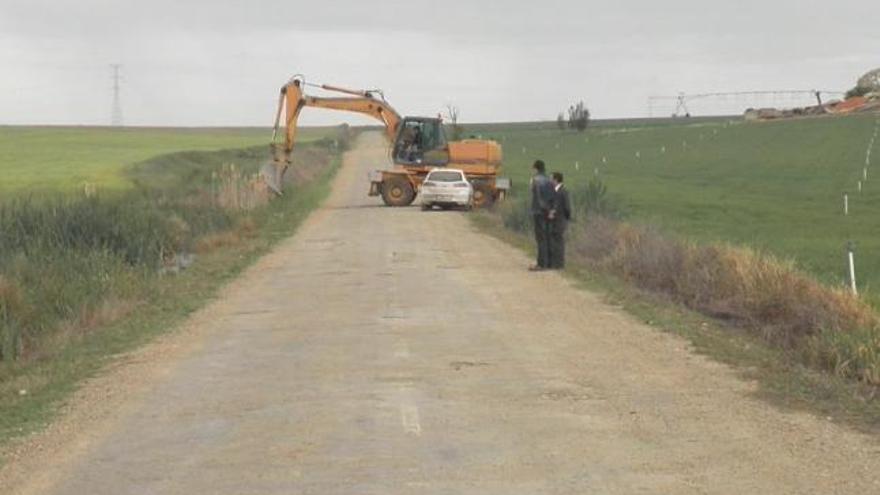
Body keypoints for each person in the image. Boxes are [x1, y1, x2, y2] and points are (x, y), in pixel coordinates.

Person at [529, 160, 555, 271]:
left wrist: (543, 208)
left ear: (536, 168)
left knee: (540, 238)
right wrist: (550, 210)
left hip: (539, 211)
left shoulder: (535, 180)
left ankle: (541, 264)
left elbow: (538, 197)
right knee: (547, 237)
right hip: (548, 212)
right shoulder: (549, 180)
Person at [549, 172, 572, 269]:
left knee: (559, 242)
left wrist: (565, 218)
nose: (550, 181)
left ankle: (559, 264)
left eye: (551, 179)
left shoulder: (563, 191)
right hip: (555, 220)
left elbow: (567, 208)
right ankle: (555, 263)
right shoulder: (555, 191)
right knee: (555, 241)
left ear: (556, 180)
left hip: (560, 220)